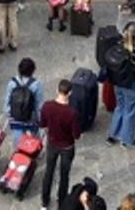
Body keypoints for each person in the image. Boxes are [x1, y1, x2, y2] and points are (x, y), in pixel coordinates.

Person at [39, 79, 81, 210]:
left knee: (48, 173)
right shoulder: (72, 113)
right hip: (67, 147)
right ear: (70, 93)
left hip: (52, 143)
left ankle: (44, 202)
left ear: (57, 90)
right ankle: (61, 204)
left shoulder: (47, 106)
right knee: (64, 176)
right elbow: (77, 135)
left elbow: (42, 124)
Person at [106, 25, 135, 148]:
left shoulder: (118, 46)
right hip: (132, 83)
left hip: (117, 83)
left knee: (119, 107)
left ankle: (112, 135)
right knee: (130, 111)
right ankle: (127, 139)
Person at [5, 57, 44, 144]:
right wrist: (40, 120)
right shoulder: (36, 84)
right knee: (34, 141)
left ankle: (18, 153)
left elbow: (7, 102)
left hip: (16, 117)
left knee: (18, 141)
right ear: (32, 71)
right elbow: (39, 105)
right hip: (30, 117)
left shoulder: (12, 83)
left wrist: (10, 115)